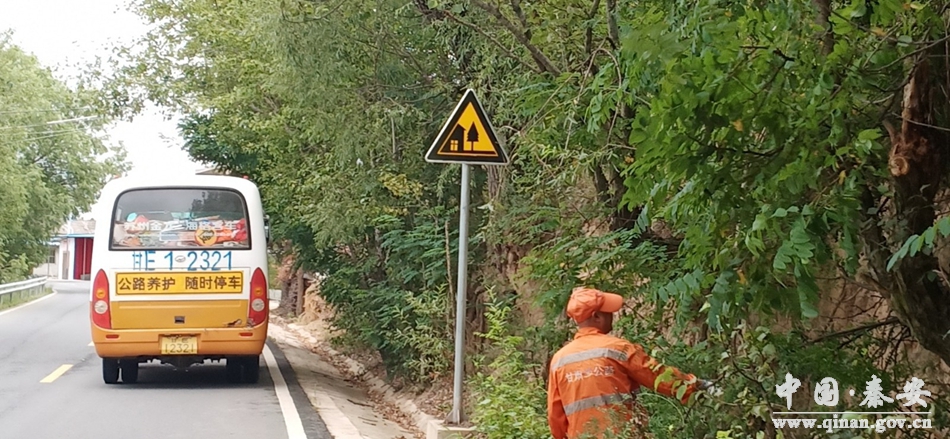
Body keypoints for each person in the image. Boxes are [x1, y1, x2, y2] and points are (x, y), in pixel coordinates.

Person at [547, 287, 713, 439]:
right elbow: (658, 375)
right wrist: (696, 385)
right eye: (607, 312)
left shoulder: (560, 360)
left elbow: (555, 416)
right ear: (596, 316)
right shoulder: (618, 348)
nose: (612, 315)